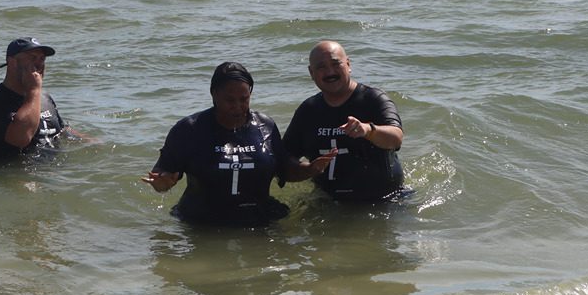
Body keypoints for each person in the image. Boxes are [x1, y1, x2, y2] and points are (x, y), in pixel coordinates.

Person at [143, 61, 336, 226]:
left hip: (258, 219)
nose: (237, 107)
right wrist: (162, 183)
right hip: (202, 223)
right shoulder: (189, 129)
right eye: (229, 100)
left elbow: (285, 170)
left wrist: (310, 169)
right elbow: (162, 176)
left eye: (244, 99)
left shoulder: (264, 126)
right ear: (214, 94)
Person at [283, 41, 405, 202]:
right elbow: (284, 159)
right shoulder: (308, 110)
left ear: (348, 64)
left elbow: (396, 138)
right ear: (311, 73)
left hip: (385, 200)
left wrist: (368, 130)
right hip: (328, 201)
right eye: (321, 67)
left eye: (336, 64)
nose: (330, 72)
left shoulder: (374, 99)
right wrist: (308, 170)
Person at [0, 37, 67, 161]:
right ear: (12, 62)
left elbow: (61, 131)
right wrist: (34, 90)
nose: (39, 64)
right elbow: (21, 138)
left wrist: (90, 142)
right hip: (11, 171)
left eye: (42, 59)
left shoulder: (44, 98)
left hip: (52, 169)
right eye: (32, 58)